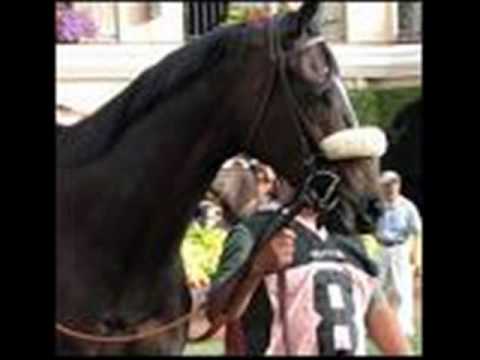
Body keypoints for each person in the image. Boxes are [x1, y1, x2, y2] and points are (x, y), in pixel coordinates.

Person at [193, 180, 412, 355]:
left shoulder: (347, 234)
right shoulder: (252, 231)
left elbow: (375, 307)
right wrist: (256, 269)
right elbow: (217, 314)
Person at [375, 170, 422, 338]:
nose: (390, 189)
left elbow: (417, 232)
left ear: (398, 185)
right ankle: (378, 327)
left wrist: (416, 257)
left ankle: (403, 328)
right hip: (380, 248)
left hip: (400, 248)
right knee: (378, 288)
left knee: (401, 289)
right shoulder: (377, 207)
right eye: (386, 185)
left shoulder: (408, 207)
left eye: (393, 184)